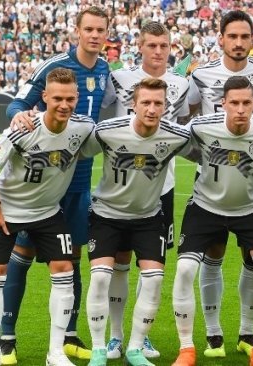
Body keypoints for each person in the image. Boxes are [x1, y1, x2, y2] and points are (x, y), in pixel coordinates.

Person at [0, 6, 110, 364]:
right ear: (77, 31)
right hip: (44, 182)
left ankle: (69, 337)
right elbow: (17, 103)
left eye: (100, 30)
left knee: (71, 257)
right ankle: (6, 336)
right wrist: (18, 112)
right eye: (89, 29)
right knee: (24, 254)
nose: (94, 35)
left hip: (79, 181)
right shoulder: (55, 66)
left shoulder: (106, 69)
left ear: (107, 34)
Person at [171, 76, 253, 366]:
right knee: (186, 268)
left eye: (246, 103)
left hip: (251, 211)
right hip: (205, 208)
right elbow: (176, 142)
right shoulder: (201, 126)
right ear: (223, 103)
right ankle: (187, 349)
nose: (240, 109)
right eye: (234, 103)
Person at [0, 67, 94, 366]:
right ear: (44, 97)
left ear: (77, 97)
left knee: (64, 269)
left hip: (47, 212)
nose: (64, 105)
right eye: (57, 98)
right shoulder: (24, 128)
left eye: (70, 99)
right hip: (8, 209)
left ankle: (55, 352)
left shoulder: (83, 128)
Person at [187, 10, 253, 358]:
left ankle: (246, 330)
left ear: (252, 40)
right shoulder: (203, 75)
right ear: (221, 39)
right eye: (232, 36)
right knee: (213, 252)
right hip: (211, 178)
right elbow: (189, 118)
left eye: (245, 37)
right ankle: (213, 334)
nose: (238, 43)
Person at [82, 78, 192, 366]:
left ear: (166, 106)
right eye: (146, 102)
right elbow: (77, 150)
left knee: (154, 279)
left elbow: (207, 150)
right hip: (106, 215)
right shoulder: (107, 131)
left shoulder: (175, 136)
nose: (152, 109)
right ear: (133, 104)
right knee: (103, 275)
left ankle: (133, 348)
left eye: (158, 103)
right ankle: (100, 347)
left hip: (148, 217)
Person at [99, 20, 190, 360]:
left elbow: (186, 123)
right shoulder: (120, 79)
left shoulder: (182, 84)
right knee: (119, 262)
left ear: (170, 48)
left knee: (151, 266)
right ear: (140, 45)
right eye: (151, 45)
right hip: (120, 187)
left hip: (160, 185)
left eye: (163, 46)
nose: (157, 51)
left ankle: (141, 337)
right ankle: (116, 335)